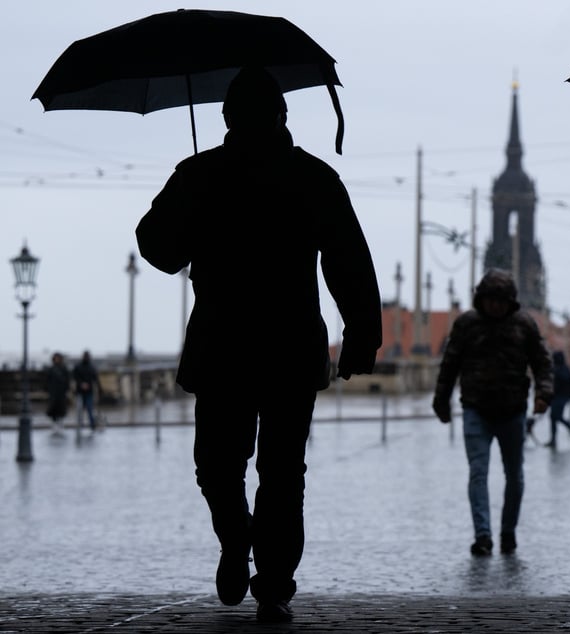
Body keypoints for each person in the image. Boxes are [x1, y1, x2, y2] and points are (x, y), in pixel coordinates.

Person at [136, 67, 382, 623]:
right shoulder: (314, 178)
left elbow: (157, 249)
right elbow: (350, 265)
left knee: (218, 466)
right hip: (291, 347)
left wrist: (190, 203)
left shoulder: (202, 174)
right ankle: (271, 579)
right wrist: (361, 337)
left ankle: (238, 542)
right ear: (283, 115)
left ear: (227, 118)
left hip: (223, 347)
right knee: (280, 471)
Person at [432, 269, 553, 556]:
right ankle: (483, 535)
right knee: (478, 472)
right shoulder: (466, 325)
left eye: (501, 301)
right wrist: (441, 401)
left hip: (513, 410)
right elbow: (449, 365)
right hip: (475, 409)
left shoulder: (525, 324)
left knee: (515, 475)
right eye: (491, 300)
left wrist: (543, 394)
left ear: (510, 301)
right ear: (481, 299)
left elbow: (542, 362)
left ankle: (508, 531)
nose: (496, 306)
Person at [544, 350, 570, 448]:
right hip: (560, 397)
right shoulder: (564, 369)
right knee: (554, 417)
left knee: (557, 417)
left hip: (560, 398)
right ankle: (554, 439)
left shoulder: (560, 370)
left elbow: (557, 385)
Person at [72, 350, 100, 431]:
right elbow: (75, 377)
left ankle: (90, 425)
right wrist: (82, 384)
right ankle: (82, 424)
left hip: (87, 391)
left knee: (89, 409)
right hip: (81, 391)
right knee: (81, 409)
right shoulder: (84, 367)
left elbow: (95, 379)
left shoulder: (90, 367)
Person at [45, 352, 70, 436]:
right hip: (54, 392)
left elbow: (67, 380)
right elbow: (47, 381)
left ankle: (60, 425)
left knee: (61, 410)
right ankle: (55, 425)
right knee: (53, 410)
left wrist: (66, 389)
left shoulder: (63, 368)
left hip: (61, 392)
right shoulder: (51, 369)